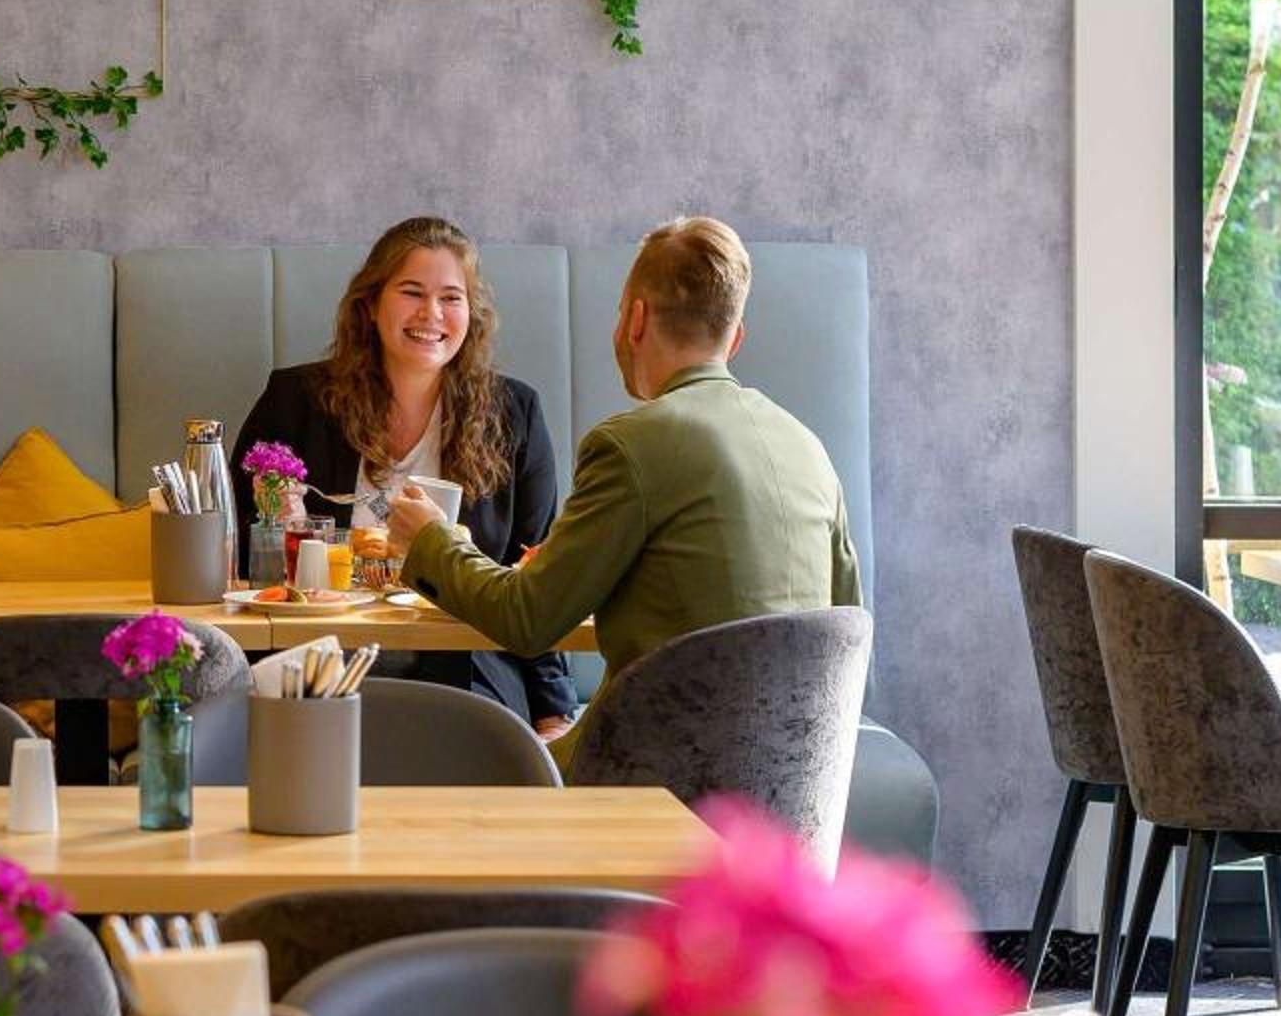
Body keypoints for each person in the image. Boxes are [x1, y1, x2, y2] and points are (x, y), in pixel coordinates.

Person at [385, 216, 860, 757]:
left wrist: (431, 539)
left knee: (472, 763)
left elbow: (527, 619)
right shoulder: (808, 447)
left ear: (635, 320)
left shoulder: (630, 445)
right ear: (735, 338)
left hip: (659, 774)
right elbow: (848, 627)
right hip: (797, 782)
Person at [232, 217, 576, 739]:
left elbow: (536, 572)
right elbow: (239, 553)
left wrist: (553, 709)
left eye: (451, 298)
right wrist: (277, 528)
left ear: (472, 313)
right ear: (371, 304)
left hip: (465, 660)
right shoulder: (296, 401)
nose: (431, 314)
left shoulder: (514, 413)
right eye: (412, 292)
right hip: (321, 656)